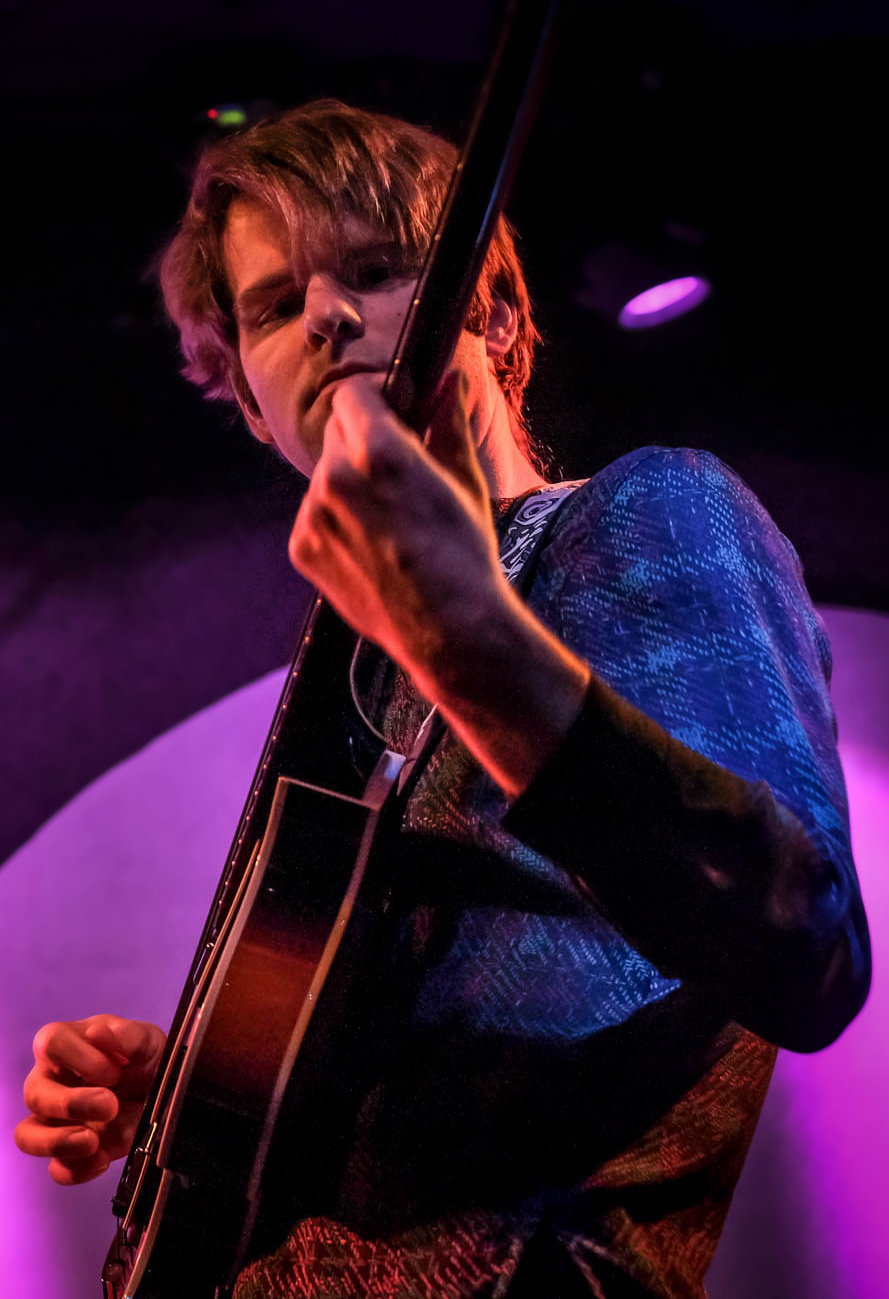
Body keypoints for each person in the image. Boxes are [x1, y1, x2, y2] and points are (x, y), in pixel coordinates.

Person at [14, 100, 871, 1297]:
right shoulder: (348, 677)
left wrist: (472, 645)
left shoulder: (642, 512)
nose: (326, 315)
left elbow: (806, 945)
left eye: (375, 270)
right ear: (252, 404)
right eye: (273, 305)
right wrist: (209, 1101)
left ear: (499, 312)